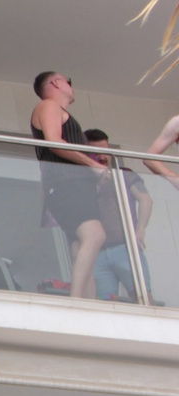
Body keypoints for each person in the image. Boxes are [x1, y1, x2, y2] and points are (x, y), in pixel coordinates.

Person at [32, 71, 111, 300]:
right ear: (56, 82)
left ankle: (88, 302)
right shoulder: (48, 105)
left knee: (81, 244)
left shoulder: (57, 110)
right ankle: (77, 301)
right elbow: (54, 141)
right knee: (95, 235)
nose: (71, 86)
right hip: (66, 183)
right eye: (68, 81)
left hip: (71, 185)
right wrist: (92, 165)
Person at [86, 127, 152, 303]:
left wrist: (140, 230)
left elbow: (146, 200)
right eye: (96, 152)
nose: (102, 156)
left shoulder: (123, 174)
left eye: (106, 151)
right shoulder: (83, 182)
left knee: (143, 298)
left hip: (125, 247)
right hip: (97, 253)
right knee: (106, 304)